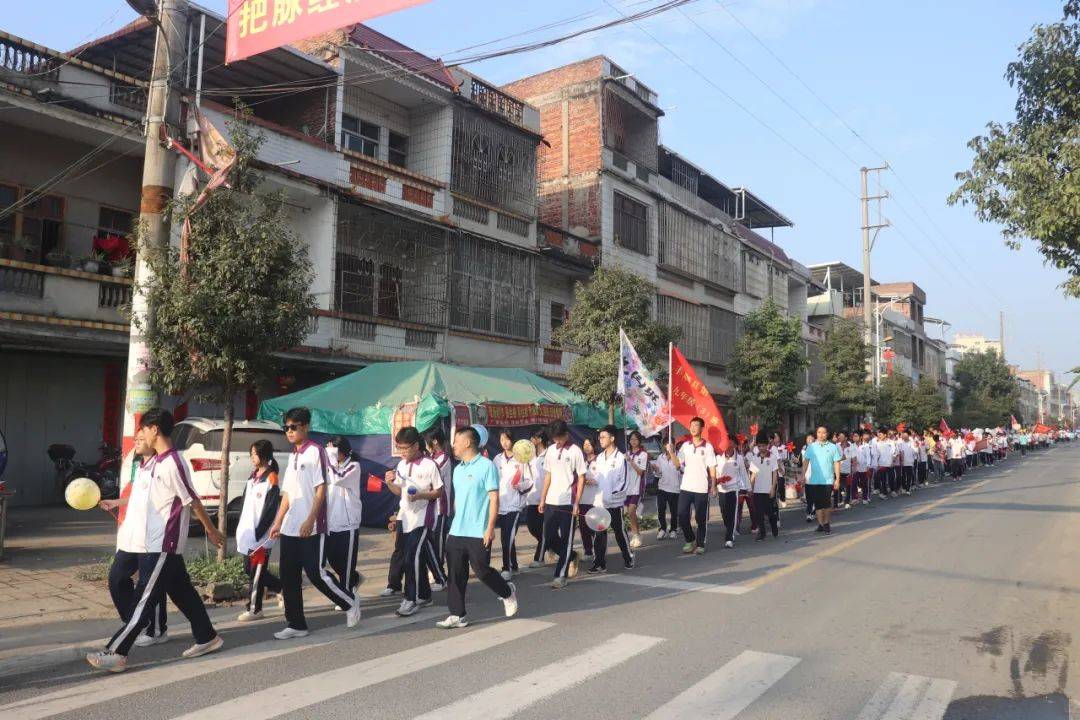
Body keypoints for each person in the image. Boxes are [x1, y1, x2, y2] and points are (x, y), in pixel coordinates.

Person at [87, 408, 225, 672]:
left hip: (163, 543)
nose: (141, 435)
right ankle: (207, 637)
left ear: (155, 430)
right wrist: (117, 503)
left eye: (144, 429)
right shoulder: (155, 462)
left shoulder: (173, 462)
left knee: (144, 597)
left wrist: (211, 530)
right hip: (149, 541)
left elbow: (192, 500)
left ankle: (116, 652)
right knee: (183, 593)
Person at [268, 407, 361, 640]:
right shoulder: (293, 456)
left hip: (311, 525)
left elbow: (321, 489)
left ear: (305, 426)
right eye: (286, 427)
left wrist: (310, 519)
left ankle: (349, 603)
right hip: (290, 527)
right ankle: (296, 624)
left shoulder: (316, 452)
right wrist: (277, 522)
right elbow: (287, 494)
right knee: (289, 576)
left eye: (293, 427)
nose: (289, 431)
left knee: (315, 572)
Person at [436, 426, 518, 629]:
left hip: (478, 530)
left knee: (481, 570)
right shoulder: (458, 469)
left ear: (467, 442)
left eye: (456, 441)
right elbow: (458, 500)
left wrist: (490, 528)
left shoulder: (486, 466)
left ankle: (507, 592)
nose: (453, 445)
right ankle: (457, 615)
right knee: (455, 574)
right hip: (457, 530)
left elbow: (493, 498)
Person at [100, 431, 168, 647]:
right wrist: (117, 502)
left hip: (153, 535)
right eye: (136, 439)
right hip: (132, 534)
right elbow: (138, 495)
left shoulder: (164, 466)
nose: (137, 442)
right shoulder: (141, 467)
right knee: (117, 578)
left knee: (151, 584)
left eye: (141, 439)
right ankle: (134, 622)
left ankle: (155, 629)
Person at [382, 426, 444, 617]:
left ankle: (411, 598)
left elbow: (439, 491)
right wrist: (389, 483)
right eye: (399, 448)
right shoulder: (401, 465)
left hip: (423, 518)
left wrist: (420, 496)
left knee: (412, 557)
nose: (402, 452)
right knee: (409, 556)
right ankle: (424, 595)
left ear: (416, 445)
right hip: (406, 518)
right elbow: (399, 491)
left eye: (405, 448)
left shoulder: (429, 464)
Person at [235, 440, 282, 622]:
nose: (251, 458)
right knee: (249, 569)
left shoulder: (271, 478)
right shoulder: (253, 476)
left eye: (254, 454)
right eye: (251, 454)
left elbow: (271, 508)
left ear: (263, 455)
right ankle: (280, 588)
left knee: (256, 572)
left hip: (261, 535)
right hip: (247, 533)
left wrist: (259, 531)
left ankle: (254, 609)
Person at [538, 420, 586, 589]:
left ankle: (560, 575)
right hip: (552, 500)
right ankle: (572, 556)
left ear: (566, 434)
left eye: (559, 438)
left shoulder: (575, 451)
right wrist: (542, 499)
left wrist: (577, 503)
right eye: (554, 438)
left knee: (566, 540)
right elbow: (548, 476)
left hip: (568, 501)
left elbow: (581, 477)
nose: (556, 441)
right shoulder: (551, 450)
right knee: (549, 537)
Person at [667, 417, 716, 555]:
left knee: (700, 518)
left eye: (696, 425)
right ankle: (690, 539)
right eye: (692, 425)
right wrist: (671, 452)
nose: (693, 428)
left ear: (701, 429)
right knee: (681, 515)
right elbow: (677, 465)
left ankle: (700, 544)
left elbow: (712, 467)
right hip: (686, 487)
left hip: (701, 487)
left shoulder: (708, 447)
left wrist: (714, 485)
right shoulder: (685, 446)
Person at [590, 425, 635, 572]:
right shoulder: (599, 458)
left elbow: (624, 483)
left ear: (612, 438)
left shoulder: (621, 458)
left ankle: (628, 557)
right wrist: (591, 480)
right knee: (599, 533)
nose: (600, 440)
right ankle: (599, 563)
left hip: (614, 504)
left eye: (603, 437)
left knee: (619, 531)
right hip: (600, 503)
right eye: (599, 437)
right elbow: (596, 477)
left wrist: (612, 497)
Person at [324, 436, 363, 597]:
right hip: (332, 522)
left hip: (348, 523)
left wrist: (331, 459)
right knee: (332, 559)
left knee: (347, 563)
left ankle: (347, 595)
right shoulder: (330, 466)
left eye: (334, 451)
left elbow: (338, 479)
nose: (331, 454)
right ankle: (354, 579)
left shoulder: (354, 466)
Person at [492, 429, 532, 580]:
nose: (504, 442)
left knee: (506, 537)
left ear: (513, 440)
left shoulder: (522, 459)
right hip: (500, 503)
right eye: (502, 439)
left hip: (514, 505)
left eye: (507, 439)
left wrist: (520, 486)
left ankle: (506, 567)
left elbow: (529, 481)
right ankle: (513, 565)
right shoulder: (497, 459)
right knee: (508, 537)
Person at [425, 428, 453, 583]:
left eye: (427, 441)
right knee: (430, 539)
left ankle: (439, 573)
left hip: (440, 507)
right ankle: (434, 570)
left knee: (439, 540)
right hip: (429, 507)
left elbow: (430, 477)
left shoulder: (443, 459)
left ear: (434, 441)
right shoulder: (431, 457)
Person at [804, 426, 842, 535]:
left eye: (823, 432)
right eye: (819, 432)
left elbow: (836, 463)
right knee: (818, 505)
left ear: (827, 434)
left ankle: (826, 524)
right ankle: (821, 524)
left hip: (828, 480)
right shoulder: (811, 447)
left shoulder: (832, 447)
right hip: (814, 481)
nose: (821, 434)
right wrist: (803, 475)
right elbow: (806, 461)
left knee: (826, 503)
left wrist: (837, 479)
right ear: (816, 434)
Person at [525, 430, 549, 567]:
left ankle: (539, 558)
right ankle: (553, 546)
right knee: (532, 527)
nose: (530, 440)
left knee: (544, 529)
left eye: (532, 437)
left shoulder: (548, 455)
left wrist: (545, 498)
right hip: (532, 497)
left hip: (544, 498)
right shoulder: (531, 456)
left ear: (539, 439)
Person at [748, 438, 779, 540]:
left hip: (768, 489)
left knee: (770, 512)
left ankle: (774, 526)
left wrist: (773, 488)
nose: (762, 448)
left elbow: (775, 473)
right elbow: (753, 474)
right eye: (759, 446)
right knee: (759, 513)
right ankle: (762, 533)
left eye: (763, 446)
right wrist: (750, 488)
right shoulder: (755, 458)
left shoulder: (772, 457)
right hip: (757, 490)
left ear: (767, 446)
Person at [576, 436, 599, 562]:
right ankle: (588, 551)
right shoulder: (581, 462)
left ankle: (598, 549)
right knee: (583, 526)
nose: (586, 447)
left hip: (595, 499)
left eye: (589, 444)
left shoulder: (599, 460)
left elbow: (603, 477)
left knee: (594, 526)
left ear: (594, 446)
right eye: (584, 445)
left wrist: (594, 481)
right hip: (583, 498)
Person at [624, 430, 649, 549]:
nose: (633, 441)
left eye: (636, 439)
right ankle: (634, 534)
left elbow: (640, 472)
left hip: (637, 487)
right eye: (631, 439)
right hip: (626, 488)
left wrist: (630, 461)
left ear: (639, 441)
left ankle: (636, 535)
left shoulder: (643, 454)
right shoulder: (626, 453)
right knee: (628, 512)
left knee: (631, 510)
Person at [652, 444, 681, 539]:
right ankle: (662, 529)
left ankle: (673, 529)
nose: (668, 447)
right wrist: (656, 470)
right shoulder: (661, 457)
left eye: (670, 445)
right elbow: (658, 474)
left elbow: (680, 468)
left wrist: (672, 454)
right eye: (666, 445)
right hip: (662, 487)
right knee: (661, 509)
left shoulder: (679, 455)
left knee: (674, 511)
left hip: (675, 488)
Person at [715, 445, 741, 549]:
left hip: (734, 489)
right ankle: (729, 528)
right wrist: (715, 483)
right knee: (724, 512)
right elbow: (714, 473)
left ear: (734, 445)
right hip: (722, 489)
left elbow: (743, 474)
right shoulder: (718, 458)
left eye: (731, 444)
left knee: (732, 513)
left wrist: (748, 489)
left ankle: (729, 538)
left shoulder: (739, 458)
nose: (728, 447)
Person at [898, 431, 916, 495]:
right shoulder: (901, 443)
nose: (904, 436)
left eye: (905, 435)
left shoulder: (912, 443)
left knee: (909, 476)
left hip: (910, 462)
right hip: (903, 463)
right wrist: (901, 461)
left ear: (908, 436)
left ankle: (908, 489)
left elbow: (915, 451)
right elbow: (900, 452)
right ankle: (904, 488)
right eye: (903, 435)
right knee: (902, 476)